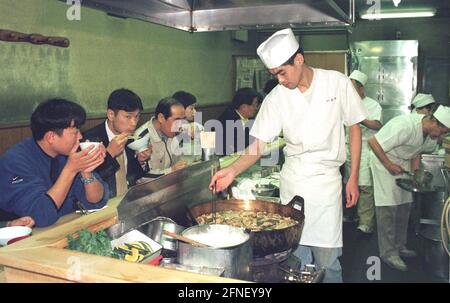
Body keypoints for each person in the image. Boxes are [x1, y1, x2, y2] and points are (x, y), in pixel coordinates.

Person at [209, 28, 367, 282]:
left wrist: (353, 177)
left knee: (329, 261)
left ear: (299, 60)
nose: (280, 79)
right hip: (293, 184)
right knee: (294, 259)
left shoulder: (336, 82)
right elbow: (257, 146)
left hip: (327, 184)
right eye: (274, 74)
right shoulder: (276, 97)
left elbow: (355, 128)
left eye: (282, 72)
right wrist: (232, 171)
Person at [0, 99, 109, 227]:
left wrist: (87, 172)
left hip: (62, 229)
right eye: (74, 132)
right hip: (25, 240)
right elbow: (41, 217)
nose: (80, 137)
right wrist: (70, 170)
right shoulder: (15, 161)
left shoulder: (66, 154)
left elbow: (96, 201)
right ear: (51, 137)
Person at [368, 105, 450, 271]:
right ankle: (388, 253)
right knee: (388, 208)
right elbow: (374, 142)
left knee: (405, 206)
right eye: (442, 132)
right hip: (383, 161)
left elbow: (416, 152)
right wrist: (389, 165)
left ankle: (399, 246)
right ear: (434, 122)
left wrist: (415, 175)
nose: (441, 136)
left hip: (402, 163)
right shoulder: (405, 125)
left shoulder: (429, 135)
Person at [83, 89, 151, 198]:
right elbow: (89, 180)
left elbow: (135, 176)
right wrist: (110, 154)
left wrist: (142, 161)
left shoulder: (130, 137)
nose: (134, 123)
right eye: (128, 117)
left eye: (137, 116)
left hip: (128, 201)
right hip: (103, 205)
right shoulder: (90, 140)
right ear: (111, 114)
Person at [344, 70, 382, 234]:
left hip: (367, 148)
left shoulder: (373, 104)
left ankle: (365, 223)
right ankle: (350, 215)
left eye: (353, 89)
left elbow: (377, 125)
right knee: (348, 183)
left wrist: (361, 119)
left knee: (365, 186)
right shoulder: (345, 104)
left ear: (361, 89)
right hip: (348, 149)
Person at [139, 97, 187, 178]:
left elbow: (178, 161)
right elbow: (141, 178)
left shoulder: (174, 133)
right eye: (177, 120)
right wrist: (171, 171)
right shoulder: (141, 139)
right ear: (161, 118)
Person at [217, 87, 259, 155]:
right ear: (244, 107)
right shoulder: (228, 119)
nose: (256, 108)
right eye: (254, 105)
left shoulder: (249, 118)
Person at [172, 91, 204, 162]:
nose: (195, 112)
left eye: (195, 108)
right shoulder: (170, 130)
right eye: (191, 108)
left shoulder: (196, 126)